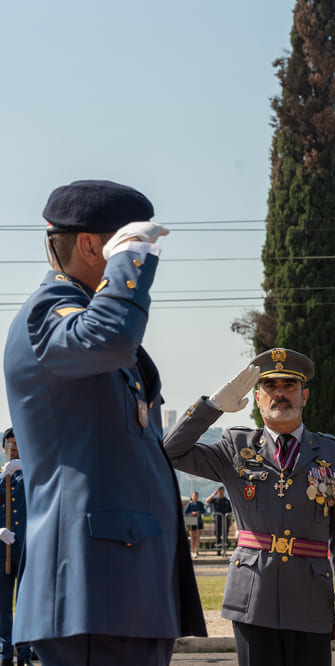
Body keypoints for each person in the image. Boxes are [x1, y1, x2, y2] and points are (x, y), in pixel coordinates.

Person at [2, 180, 205, 665]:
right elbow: (110, 338)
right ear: (91, 245)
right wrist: (132, 259)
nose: (145, 256)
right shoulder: (47, 311)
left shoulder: (79, 316)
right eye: (129, 243)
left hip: (126, 586)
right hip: (92, 586)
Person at [164, 348, 335, 666]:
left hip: (311, 598)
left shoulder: (334, 454)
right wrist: (212, 406)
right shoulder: (235, 447)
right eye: (271, 387)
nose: (280, 394)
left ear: (305, 395)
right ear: (257, 397)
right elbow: (170, 452)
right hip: (253, 596)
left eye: (289, 386)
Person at [0, 429, 32, 666]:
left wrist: (26, 466)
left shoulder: (31, 476)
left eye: (18, 446)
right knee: (3, 603)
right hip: (2, 551)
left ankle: (23, 653)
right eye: (10, 446)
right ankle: (5, 654)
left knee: (24, 602)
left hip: (26, 550)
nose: (14, 450)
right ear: (3, 449)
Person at [206, 486, 233, 556]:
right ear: (218, 491)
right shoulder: (215, 499)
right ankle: (218, 550)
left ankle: (224, 550)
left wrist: (230, 521)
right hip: (218, 519)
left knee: (225, 535)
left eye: (222, 491)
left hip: (225, 519)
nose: (221, 492)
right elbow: (207, 501)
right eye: (220, 491)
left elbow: (230, 512)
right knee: (218, 535)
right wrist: (213, 494)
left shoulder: (226, 500)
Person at [184, 492, 206, 558]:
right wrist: (192, 513)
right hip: (191, 520)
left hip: (198, 521)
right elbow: (185, 512)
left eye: (196, 496)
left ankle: (196, 551)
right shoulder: (189, 504)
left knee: (197, 537)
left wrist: (198, 512)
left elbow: (203, 511)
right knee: (192, 537)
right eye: (194, 496)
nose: (195, 497)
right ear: (192, 496)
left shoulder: (200, 503)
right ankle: (192, 551)